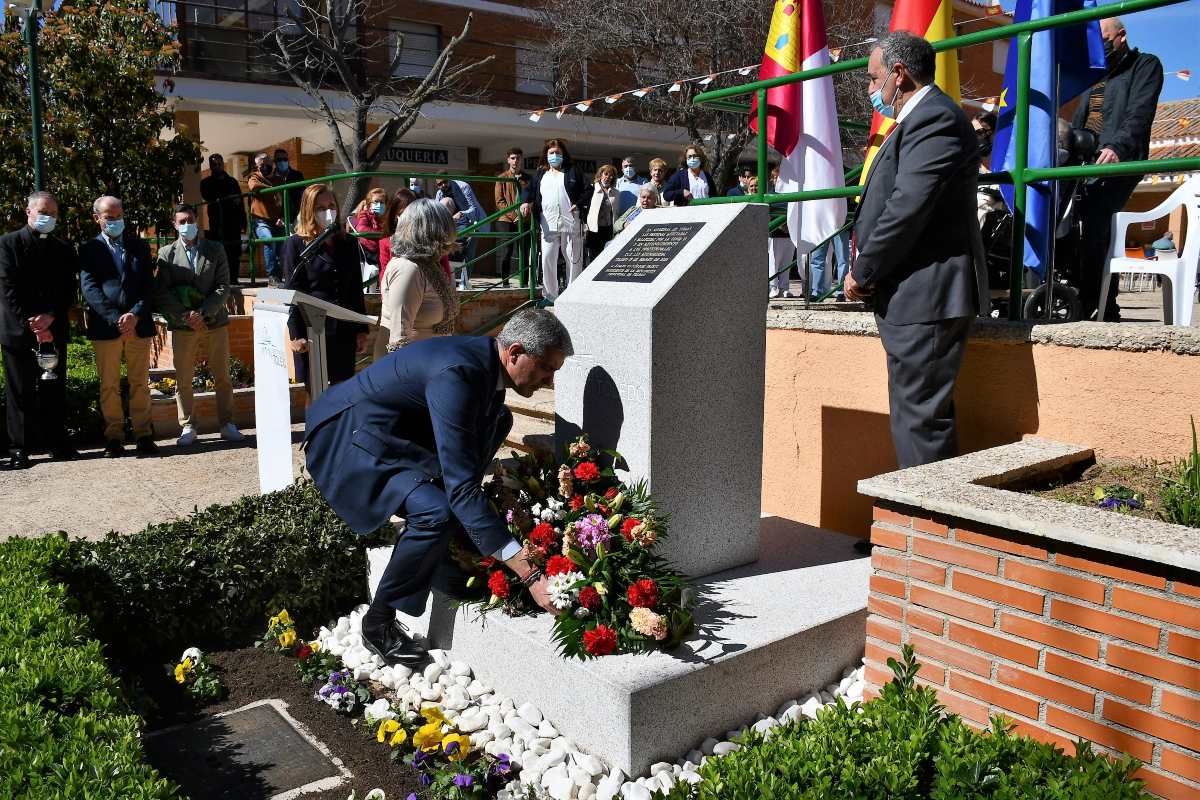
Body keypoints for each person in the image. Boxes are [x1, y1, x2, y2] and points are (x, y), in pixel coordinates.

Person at [303, 309, 572, 665]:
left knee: (498, 420)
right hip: (350, 435)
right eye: (545, 368)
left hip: (393, 432)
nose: (548, 380)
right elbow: (460, 489)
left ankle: (447, 539)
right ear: (516, 352)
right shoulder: (459, 373)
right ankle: (378, 623)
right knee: (436, 511)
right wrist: (530, 573)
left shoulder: (485, 366)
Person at [844, 32, 983, 469]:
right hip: (913, 294)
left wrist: (863, 271)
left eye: (873, 78)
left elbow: (907, 207)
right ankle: (913, 530)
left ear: (898, 74)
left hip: (928, 294)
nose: (871, 90)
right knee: (914, 417)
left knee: (920, 423)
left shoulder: (935, 119)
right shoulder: (917, 122)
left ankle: (924, 533)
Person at [1072, 17, 1163, 321]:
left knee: (1096, 223)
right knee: (1063, 223)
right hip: (1083, 162)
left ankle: (1101, 306)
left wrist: (1117, 148)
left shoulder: (1146, 65)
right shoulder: (1093, 74)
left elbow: (1139, 114)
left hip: (1119, 161)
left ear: (1121, 36)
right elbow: (1079, 122)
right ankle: (1070, 295)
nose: (1099, 46)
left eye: (1104, 39)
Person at [154, 202, 243, 447]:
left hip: (214, 322)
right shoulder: (166, 254)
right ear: (174, 225)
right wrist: (187, 316)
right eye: (182, 221)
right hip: (184, 326)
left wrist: (203, 313)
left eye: (190, 220)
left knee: (222, 374)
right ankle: (188, 425)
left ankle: (227, 423)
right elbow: (163, 292)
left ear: (198, 222)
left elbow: (223, 285)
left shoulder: (215, 249)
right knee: (183, 377)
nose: (187, 225)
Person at [0, 190, 77, 469]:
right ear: (28, 212)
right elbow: (8, 289)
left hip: (53, 328)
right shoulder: (7, 244)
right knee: (19, 392)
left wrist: (51, 318)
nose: (49, 218)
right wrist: (34, 324)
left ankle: (57, 443)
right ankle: (19, 449)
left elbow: (69, 289)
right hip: (19, 331)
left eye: (53, 214)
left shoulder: (63, 248)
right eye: (44, 212)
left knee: (53, 389)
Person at [80, 195, 158, 458]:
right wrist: (116, 318)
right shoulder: (89, 249)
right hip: (106, 327)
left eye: (118, 216)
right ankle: (114, 437)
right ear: (97, 218)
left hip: (138, 326)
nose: (114, 221)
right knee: (109, 385)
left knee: (140, 383)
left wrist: (134, 314)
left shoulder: (140, 246)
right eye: (109, 217)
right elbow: (89, 288)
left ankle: (143, 435)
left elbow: (149, 285)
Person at [283, 184, 369, 386]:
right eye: (321, 208)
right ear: (309, 211)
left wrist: (361, 329)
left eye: (331, 206)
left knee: (343, 391)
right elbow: (293, 291)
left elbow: (355, 287)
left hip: (343, 330)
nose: (328, 212)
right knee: (315, 392)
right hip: (313, 330)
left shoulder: (348, 243)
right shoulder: (296, 244)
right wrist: (296, 334)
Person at [376, 198, 460, 357]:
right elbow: (399, 339)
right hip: (412, 369)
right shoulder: (407, 269)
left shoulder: (428, 264)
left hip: (430, 362)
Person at [520, 138, 588, 301]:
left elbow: (588, 190)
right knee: (547, 258)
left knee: (573, 258)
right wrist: (525, 202)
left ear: (563, 154)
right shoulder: (540, 174)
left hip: (571, 221)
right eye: (551, 153)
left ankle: (573, 295)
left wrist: (578, 204)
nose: (555, 155)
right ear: (546, 155)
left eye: (558, 152)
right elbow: (529, 190)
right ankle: (550, 296)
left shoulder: (573, 171)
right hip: (548, 222)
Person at [435, 174, 486, 289]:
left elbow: (474, 209)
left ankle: (464, 281)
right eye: (439, 184)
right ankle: (446, 281)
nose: (443, 185)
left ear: (449, 179)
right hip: (452, 225)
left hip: (470, 221)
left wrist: (462, 213)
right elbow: (437, 213)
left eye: (445, 182)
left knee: (469, 252)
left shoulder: (463, 187)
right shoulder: (439, 194)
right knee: (445, 250)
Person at [199, 153, 245, 278]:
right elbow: (209, 196)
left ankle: (234, 278)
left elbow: (239, 202)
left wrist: (243, 222)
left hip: (233, 222)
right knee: (219, 251)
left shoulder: (232, 182)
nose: (217, 167)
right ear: (210, 166)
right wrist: (227, 198)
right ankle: (220, 279)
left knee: (234, 251)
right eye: (214, 164)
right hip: (217, 222)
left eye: (219, 164)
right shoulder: (206, 183)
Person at [494, 148, 531, 287]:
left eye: (518, 158)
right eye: (513, 158)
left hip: (525, 219)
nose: (516, 161)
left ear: (522, 160)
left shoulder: (528, 179)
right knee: (507, 251)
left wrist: (526, 212)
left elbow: (532, 198)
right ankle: (505, 282)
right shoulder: (502, 178)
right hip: (506, 220)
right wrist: (514, 216)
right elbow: (499, 201)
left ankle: (525, 282)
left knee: (525, 251)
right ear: (508, 159)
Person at [248, 153, 285, 285]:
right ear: (257, 166)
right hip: (260, 221)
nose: (266, 166)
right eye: (262, 164)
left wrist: (282, 217)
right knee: (269, 240)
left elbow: (284, 200)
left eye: (268, 163)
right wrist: (272, 189)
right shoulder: (254, 177)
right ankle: (272, 276)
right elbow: (253, 187)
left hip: (277, 220)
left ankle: (280, 276)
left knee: (281, 247)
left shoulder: (279, 179)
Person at [350, 187, 388, 290]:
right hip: (371, 251)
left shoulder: (385, 217)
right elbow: (361, 229)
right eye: (376, 202)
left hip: (382, 249)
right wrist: (382, 234)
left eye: (382, 202)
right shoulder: (365, 214)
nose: (379, 205)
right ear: (369, 204)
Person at [767, 167, 795, 299]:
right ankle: (773, 288)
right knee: (774, 263)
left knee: (787, 263)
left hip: (789, 234)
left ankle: (784, 288)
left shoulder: (790, 194)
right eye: (777, 178)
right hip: (775, 234)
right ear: (773, 180)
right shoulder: (770, 194)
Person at [973, 111, 1005, 228]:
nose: (974, 136)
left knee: (979, 201)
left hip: (991, 193)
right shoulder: (969, 153)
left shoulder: (1003, 153)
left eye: (979, 132)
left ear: (991, 132)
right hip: (971, 187)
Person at [584, 164, 620, 263]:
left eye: (611, 175)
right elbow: (586, 209)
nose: (608, 177)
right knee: (593, 258)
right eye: (606, 174)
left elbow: (615, 212)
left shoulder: (616, 193)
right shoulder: (592, 189)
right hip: (593, 230)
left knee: (605, 257)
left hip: (608, 229)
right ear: (600, 175)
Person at [378, 187, 418, 273]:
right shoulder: (385, 243)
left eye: (413, 212)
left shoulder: (430, 241)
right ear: (395, 215)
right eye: (403, 213)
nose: (409, 218)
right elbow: (384, 276)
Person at [440, 196, 474, 289]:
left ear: (449, 209)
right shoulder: (448, 221)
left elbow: (459, 239)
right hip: (446, 252)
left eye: (442, 209)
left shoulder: (460, 221)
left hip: (454, 254)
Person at [274, 148, 306, 221]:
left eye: (285, 159)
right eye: (279, 159)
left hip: (297, 215)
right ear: (274, 161)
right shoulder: (272, 178)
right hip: (279, 219)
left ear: (288, 160)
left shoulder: (297, 175)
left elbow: (303, 194)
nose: (282, 162)